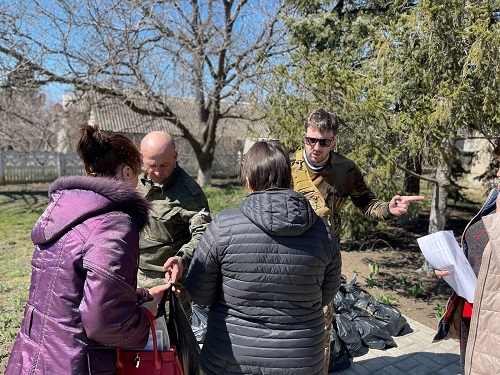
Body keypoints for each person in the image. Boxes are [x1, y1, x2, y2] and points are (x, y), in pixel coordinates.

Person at [5, 124, 170, 375]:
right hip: (75, 362)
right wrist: (143, 323)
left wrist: (140, 296)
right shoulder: (114, 223)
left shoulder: (63, 212)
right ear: (126, 173)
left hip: (34, 356)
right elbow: (103, 322)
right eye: (138, 175)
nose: (138, 184)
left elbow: (69, 291)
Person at [184, 140, 342, 375]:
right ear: (289, 181)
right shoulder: (322, 231)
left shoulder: (223, 227)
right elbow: (326, 294)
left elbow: (199, 293)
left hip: (231, 357)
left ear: (248, 182)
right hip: (301, 359)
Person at [292, 108, 425, 372]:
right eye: (311, 140)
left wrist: (389, 208)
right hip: (290, 255)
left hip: (326, 257)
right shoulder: (286, 165)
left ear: (334, 140)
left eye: (324, 142)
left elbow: (367, 203)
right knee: (290, 316)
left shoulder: (346, 170)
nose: (316, 147)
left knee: (322, 317)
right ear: (304, 136)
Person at [434, 138, 500, 373]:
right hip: (471, 314)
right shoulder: (495, 200)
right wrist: (452, 267)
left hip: (492, 329)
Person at [137, 131, 211, 315]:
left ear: (175, 157)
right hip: (133, 283)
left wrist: (181, 258)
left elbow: (204, 233)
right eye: (152, 165)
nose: (158, 171)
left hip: (168, 288)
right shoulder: (132, 182)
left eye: (165, 165)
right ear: (141, 158)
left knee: (168, 342)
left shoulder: (190, 193)